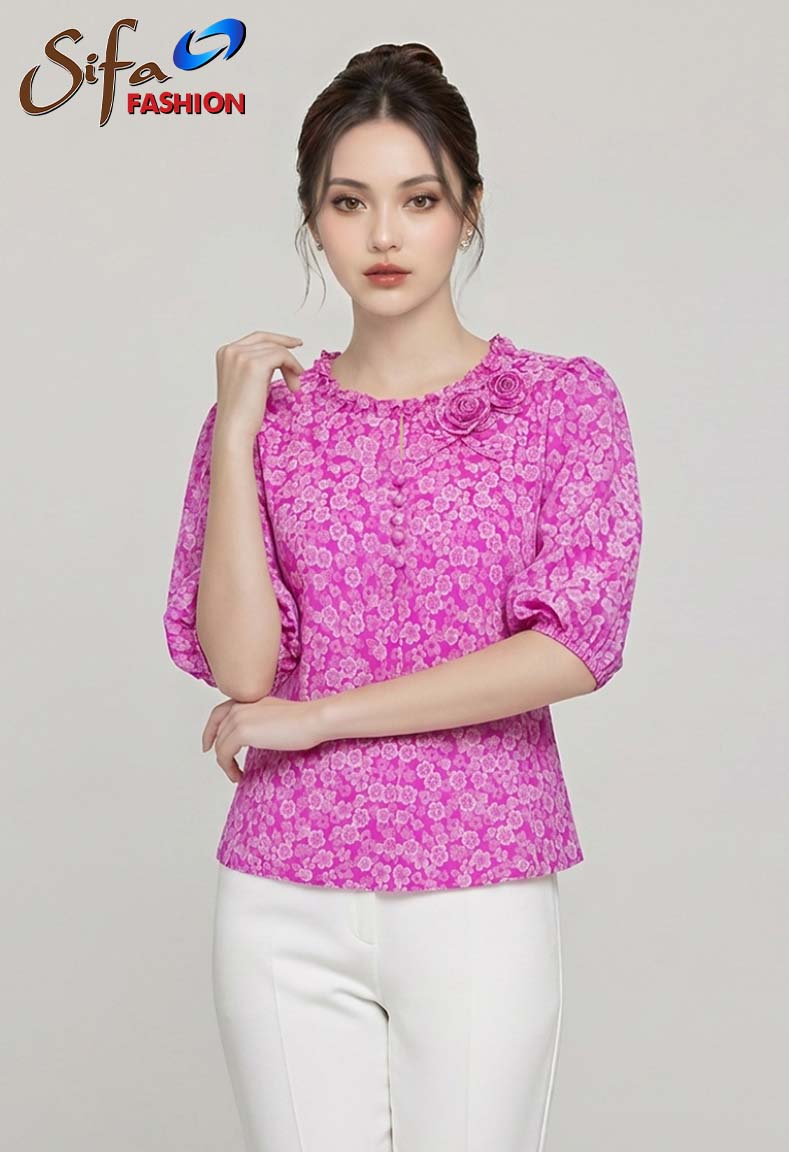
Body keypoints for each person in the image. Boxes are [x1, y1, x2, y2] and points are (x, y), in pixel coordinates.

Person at [162, 41, 643, 1152]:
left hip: (479, 883)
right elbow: (243, 669)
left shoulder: (560, 406)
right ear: (312, 219)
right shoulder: (268, 424)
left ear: (467, 210)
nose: (383, 235)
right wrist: (234, 434)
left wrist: (322, 716)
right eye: (349, 202)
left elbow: (573, 645)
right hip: (281, 890)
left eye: (418, 199)